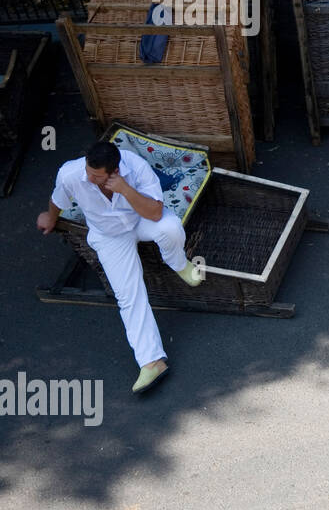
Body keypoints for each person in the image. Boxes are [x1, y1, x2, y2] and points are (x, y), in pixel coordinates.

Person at [37, 140, 204, 393]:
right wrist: (50, 217)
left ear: (114, 171)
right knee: (128, 297)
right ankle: (152, 361)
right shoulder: (71, 173)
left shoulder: (137, 169)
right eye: (89, 172)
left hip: (141, 221)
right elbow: (58, 198)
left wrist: (126, 190)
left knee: (171, 228)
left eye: (97, 176)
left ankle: (179, 264)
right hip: (109, 236)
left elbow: (156, 213)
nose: (90, 178)